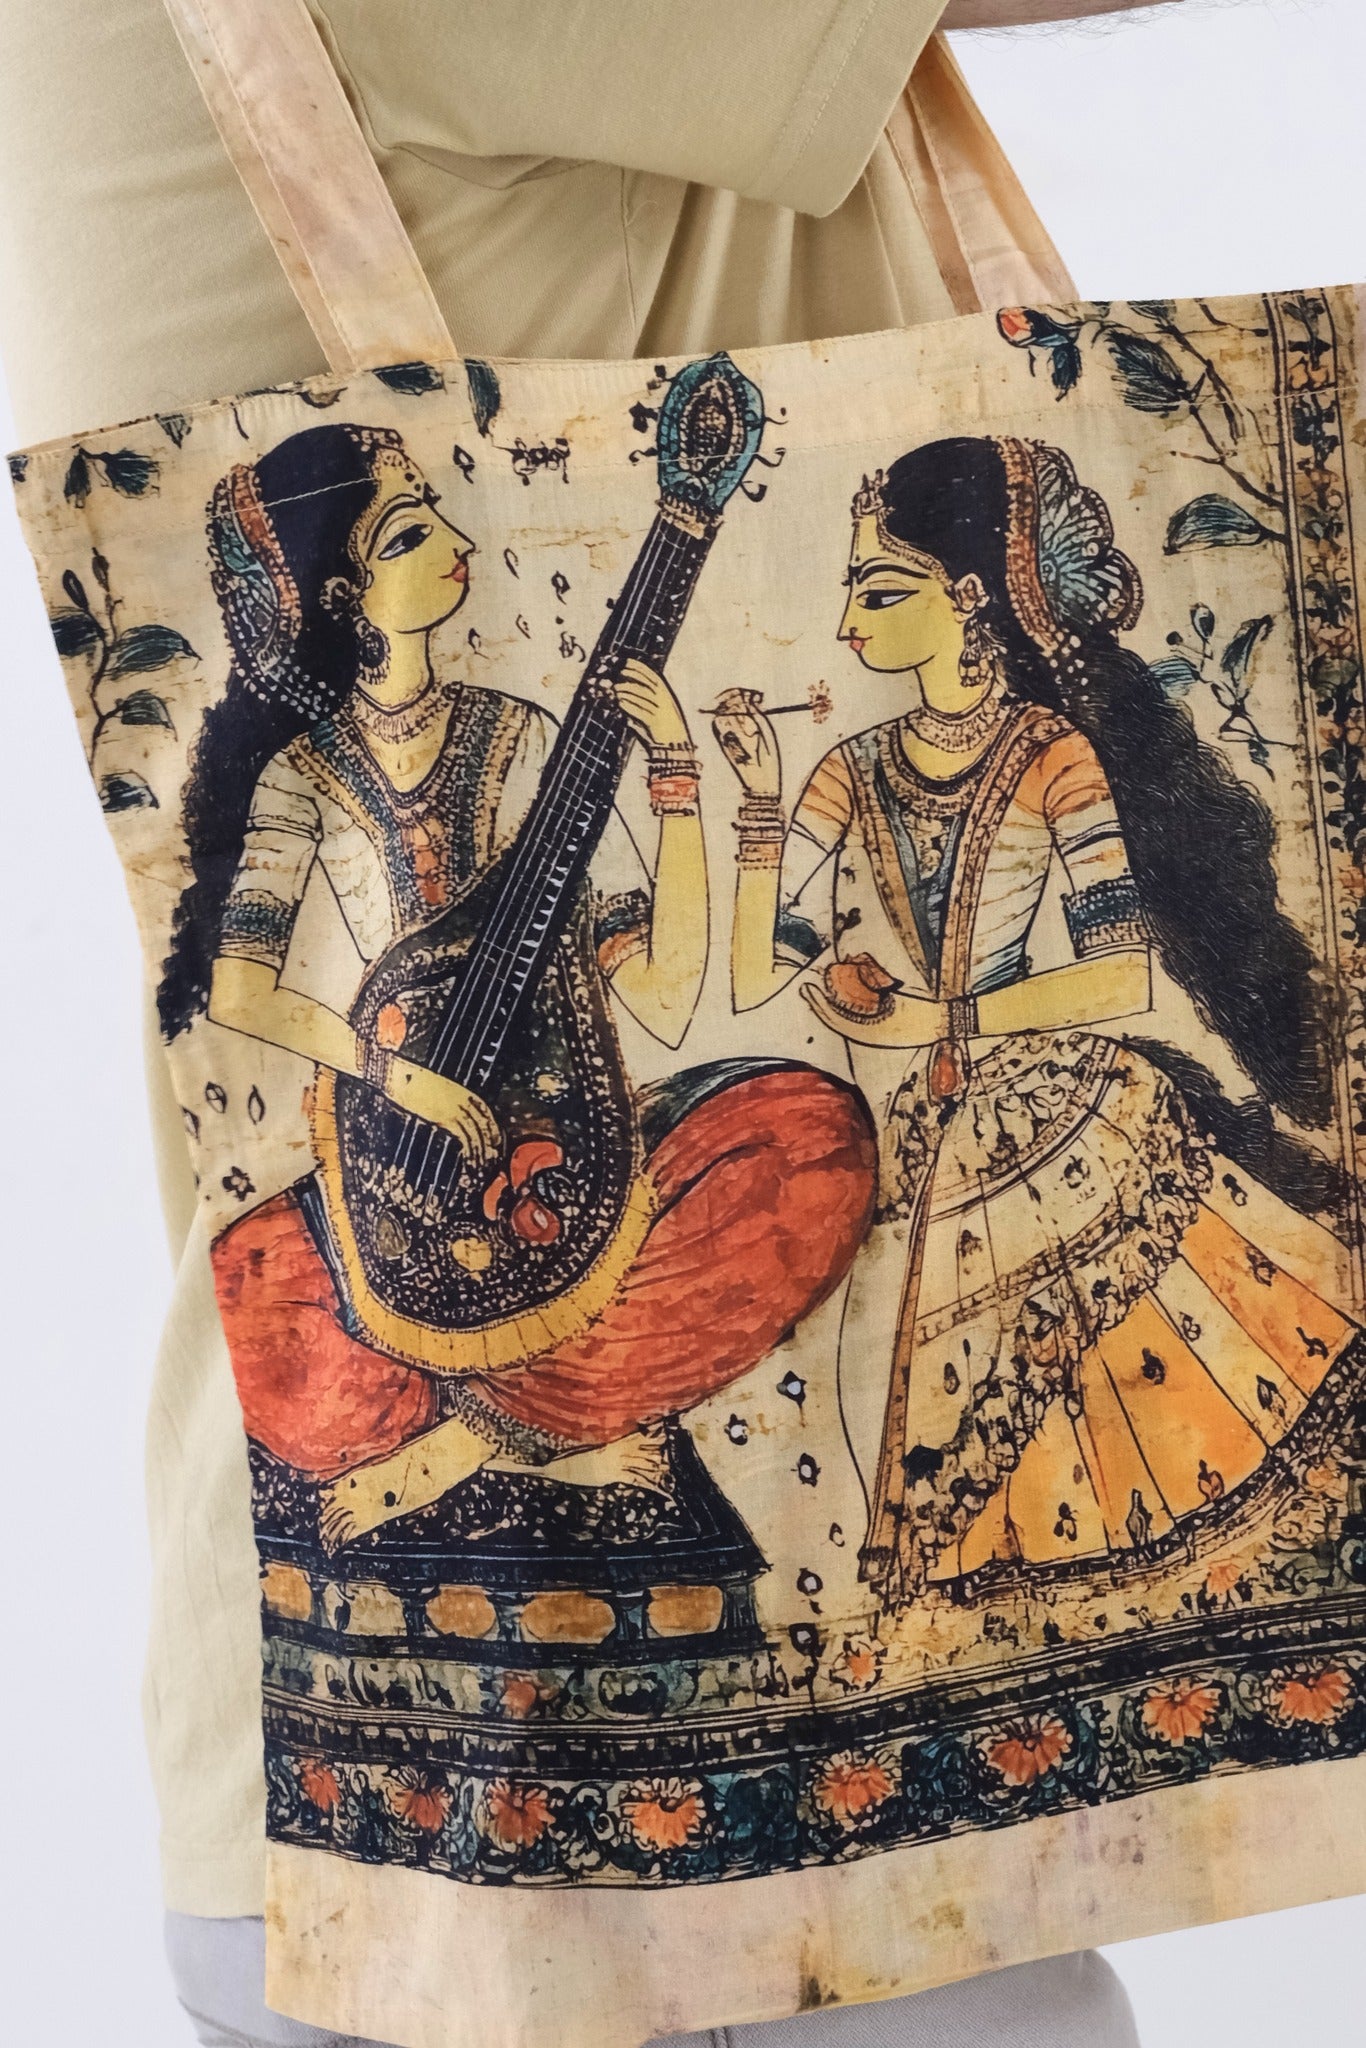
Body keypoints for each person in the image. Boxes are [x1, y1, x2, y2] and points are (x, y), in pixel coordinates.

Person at [0, 3, 1177, 2044]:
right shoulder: (323, 776)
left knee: (766, 1135)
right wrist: (397, 1057)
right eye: (402, 533)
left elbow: (660, 973)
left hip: (326, 1786)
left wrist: (692, 806)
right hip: (652, 1849)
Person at [713, 434, 1355, 1600]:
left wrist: (938, 1016)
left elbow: (1118, 977)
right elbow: (757, 972)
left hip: (1063, 1117)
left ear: (966, 598)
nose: (848, 621)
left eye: (879, 589)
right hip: (924, 1145)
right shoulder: (848, 767)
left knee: (1130, 1442)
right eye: (851, 590)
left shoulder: (1052, 751)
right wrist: (756, 801)